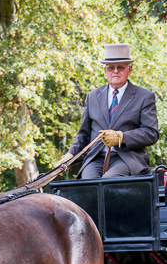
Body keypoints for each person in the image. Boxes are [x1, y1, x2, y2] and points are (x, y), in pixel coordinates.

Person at [68, 43, 159, 179]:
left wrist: (121, 137)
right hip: (96, 158)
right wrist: (69, 156)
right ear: (105, 71)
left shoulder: (144, 97)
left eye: (120, 67)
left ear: (129, 70)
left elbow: (151, 133)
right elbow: (84, 134)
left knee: (108, 183)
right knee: (87, 184)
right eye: (111, 68)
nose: (115, 71)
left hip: (127, 158)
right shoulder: (92, 96)